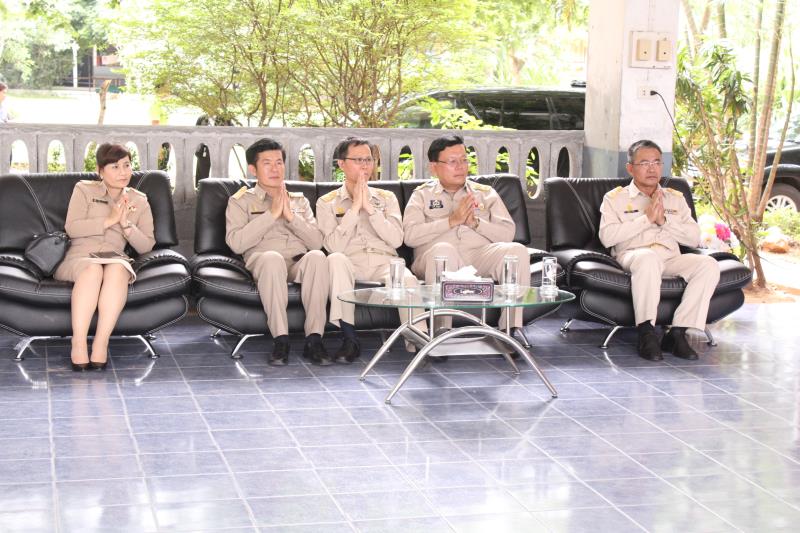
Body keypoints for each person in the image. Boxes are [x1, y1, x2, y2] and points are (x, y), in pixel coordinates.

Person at [599, 139, 720, 361]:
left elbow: (694, 237)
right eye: (644, 163)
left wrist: (664, 221)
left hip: (670, 258)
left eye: (656, 162)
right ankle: (646, 332)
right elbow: (607, 237)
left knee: (708, 264)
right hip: (634, 255)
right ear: (630, 168)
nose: (652, 168)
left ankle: (677, 333)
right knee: (648, 258)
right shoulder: (615, 198)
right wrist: (646, 219)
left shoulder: (675, 198)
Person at [403, 134, 530, 333]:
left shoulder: (484, 193)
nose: (461, 167)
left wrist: (476, 223)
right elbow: (410, 236)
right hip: (433, 259)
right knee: (443, 251)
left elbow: (507, 233)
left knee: (516, 250)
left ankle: (510, 330)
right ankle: (440, 331)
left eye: (464, 160)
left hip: (478, 257)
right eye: (453, 162)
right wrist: (451, 221)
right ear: (434, 167)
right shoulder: (421, 195)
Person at [225, 138, 331, 366]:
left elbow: (316, 242)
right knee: (272, 259)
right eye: (267, 163)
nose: (275, 168)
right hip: (264, 261)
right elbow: (236, 244)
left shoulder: (299, 201)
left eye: (279, 162)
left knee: (317, 257)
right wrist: (271, 214)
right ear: (253, 169)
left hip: (296, 262)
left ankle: (315, 340)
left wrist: (291, 217)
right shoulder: (240, 201)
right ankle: (281, 340)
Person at [317, 137, 422, 363]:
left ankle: (419, 342)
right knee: (335, 259)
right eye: (358, 160)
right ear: (342, 164)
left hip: (384, 262)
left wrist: (371, 211)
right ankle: (349, 339)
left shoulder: (387, 198)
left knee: (406, 278)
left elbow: (396, 240)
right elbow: (333, 246)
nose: (365, 165)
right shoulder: (326, 202)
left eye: (369, 160)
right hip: (349, 263)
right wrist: (355, 208)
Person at [56, 143, 156, 371]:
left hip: (114, 257)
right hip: (79, 257)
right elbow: (72, 228)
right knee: (92, 270)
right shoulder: (84, 189)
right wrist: (109, 220)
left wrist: (126, 225)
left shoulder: (139, 200)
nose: (123, 172)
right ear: (100, 171)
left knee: (118, 269)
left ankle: (101, 343)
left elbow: (146, 245)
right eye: (115, 167)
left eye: (127, 165)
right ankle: (78, 343)